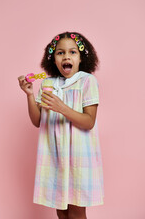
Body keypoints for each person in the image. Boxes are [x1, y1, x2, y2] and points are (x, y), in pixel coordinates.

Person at [18, 31, 104, 219]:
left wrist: (62, 107)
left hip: (78, 158)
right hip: (55, 157)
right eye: (60, 52)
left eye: (73, 52)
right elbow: (38, 121)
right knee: (62, 212)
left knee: (75, 212)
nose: (66, 56)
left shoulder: (87, 81)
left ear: (81, 58)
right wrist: (30, 95)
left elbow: (89, 122)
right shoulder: (48, 82)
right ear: (53, 59)